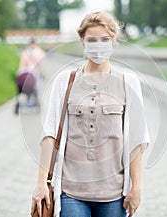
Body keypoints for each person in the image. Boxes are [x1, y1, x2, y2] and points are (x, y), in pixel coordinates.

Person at [31, 11, 150, 217]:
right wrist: (41, 182)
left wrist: (136, 187)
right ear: (82, 42)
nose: (98, 45)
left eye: (105, 40)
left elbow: (136, 141)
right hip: (71, 193)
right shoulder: (64, 81)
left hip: (114, 196)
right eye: (92, 40)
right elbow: (50, 133)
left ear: (114, 41)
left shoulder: (128, 83)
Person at [17, 38, 45, 106]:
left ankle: (36, 100)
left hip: (36, 71)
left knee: (37, 86)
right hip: (27, 70)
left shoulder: (39, 52)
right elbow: (22, 63)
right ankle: (28, 98)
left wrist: (40, 71)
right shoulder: (26, 52)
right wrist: (20, 71)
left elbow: (40, 64)